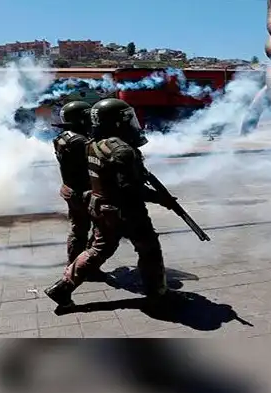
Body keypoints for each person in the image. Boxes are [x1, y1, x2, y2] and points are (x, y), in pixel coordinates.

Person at [44, 98, 178, 311]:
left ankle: (63, 287)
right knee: (149, 249)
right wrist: (161, 199)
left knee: (98, 249)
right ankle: (158, 293)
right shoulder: (121, 150)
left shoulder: (92, 144)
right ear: (116, 122)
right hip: (126, 210)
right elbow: (131, 189)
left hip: (100, 205)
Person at [50, 101, 107, 281]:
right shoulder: (81, 141)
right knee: (95, 230)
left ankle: (74, 264)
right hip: (84, 191)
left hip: (70, 188)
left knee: (78, 229)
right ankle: (82, 267)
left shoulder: (63, 137)